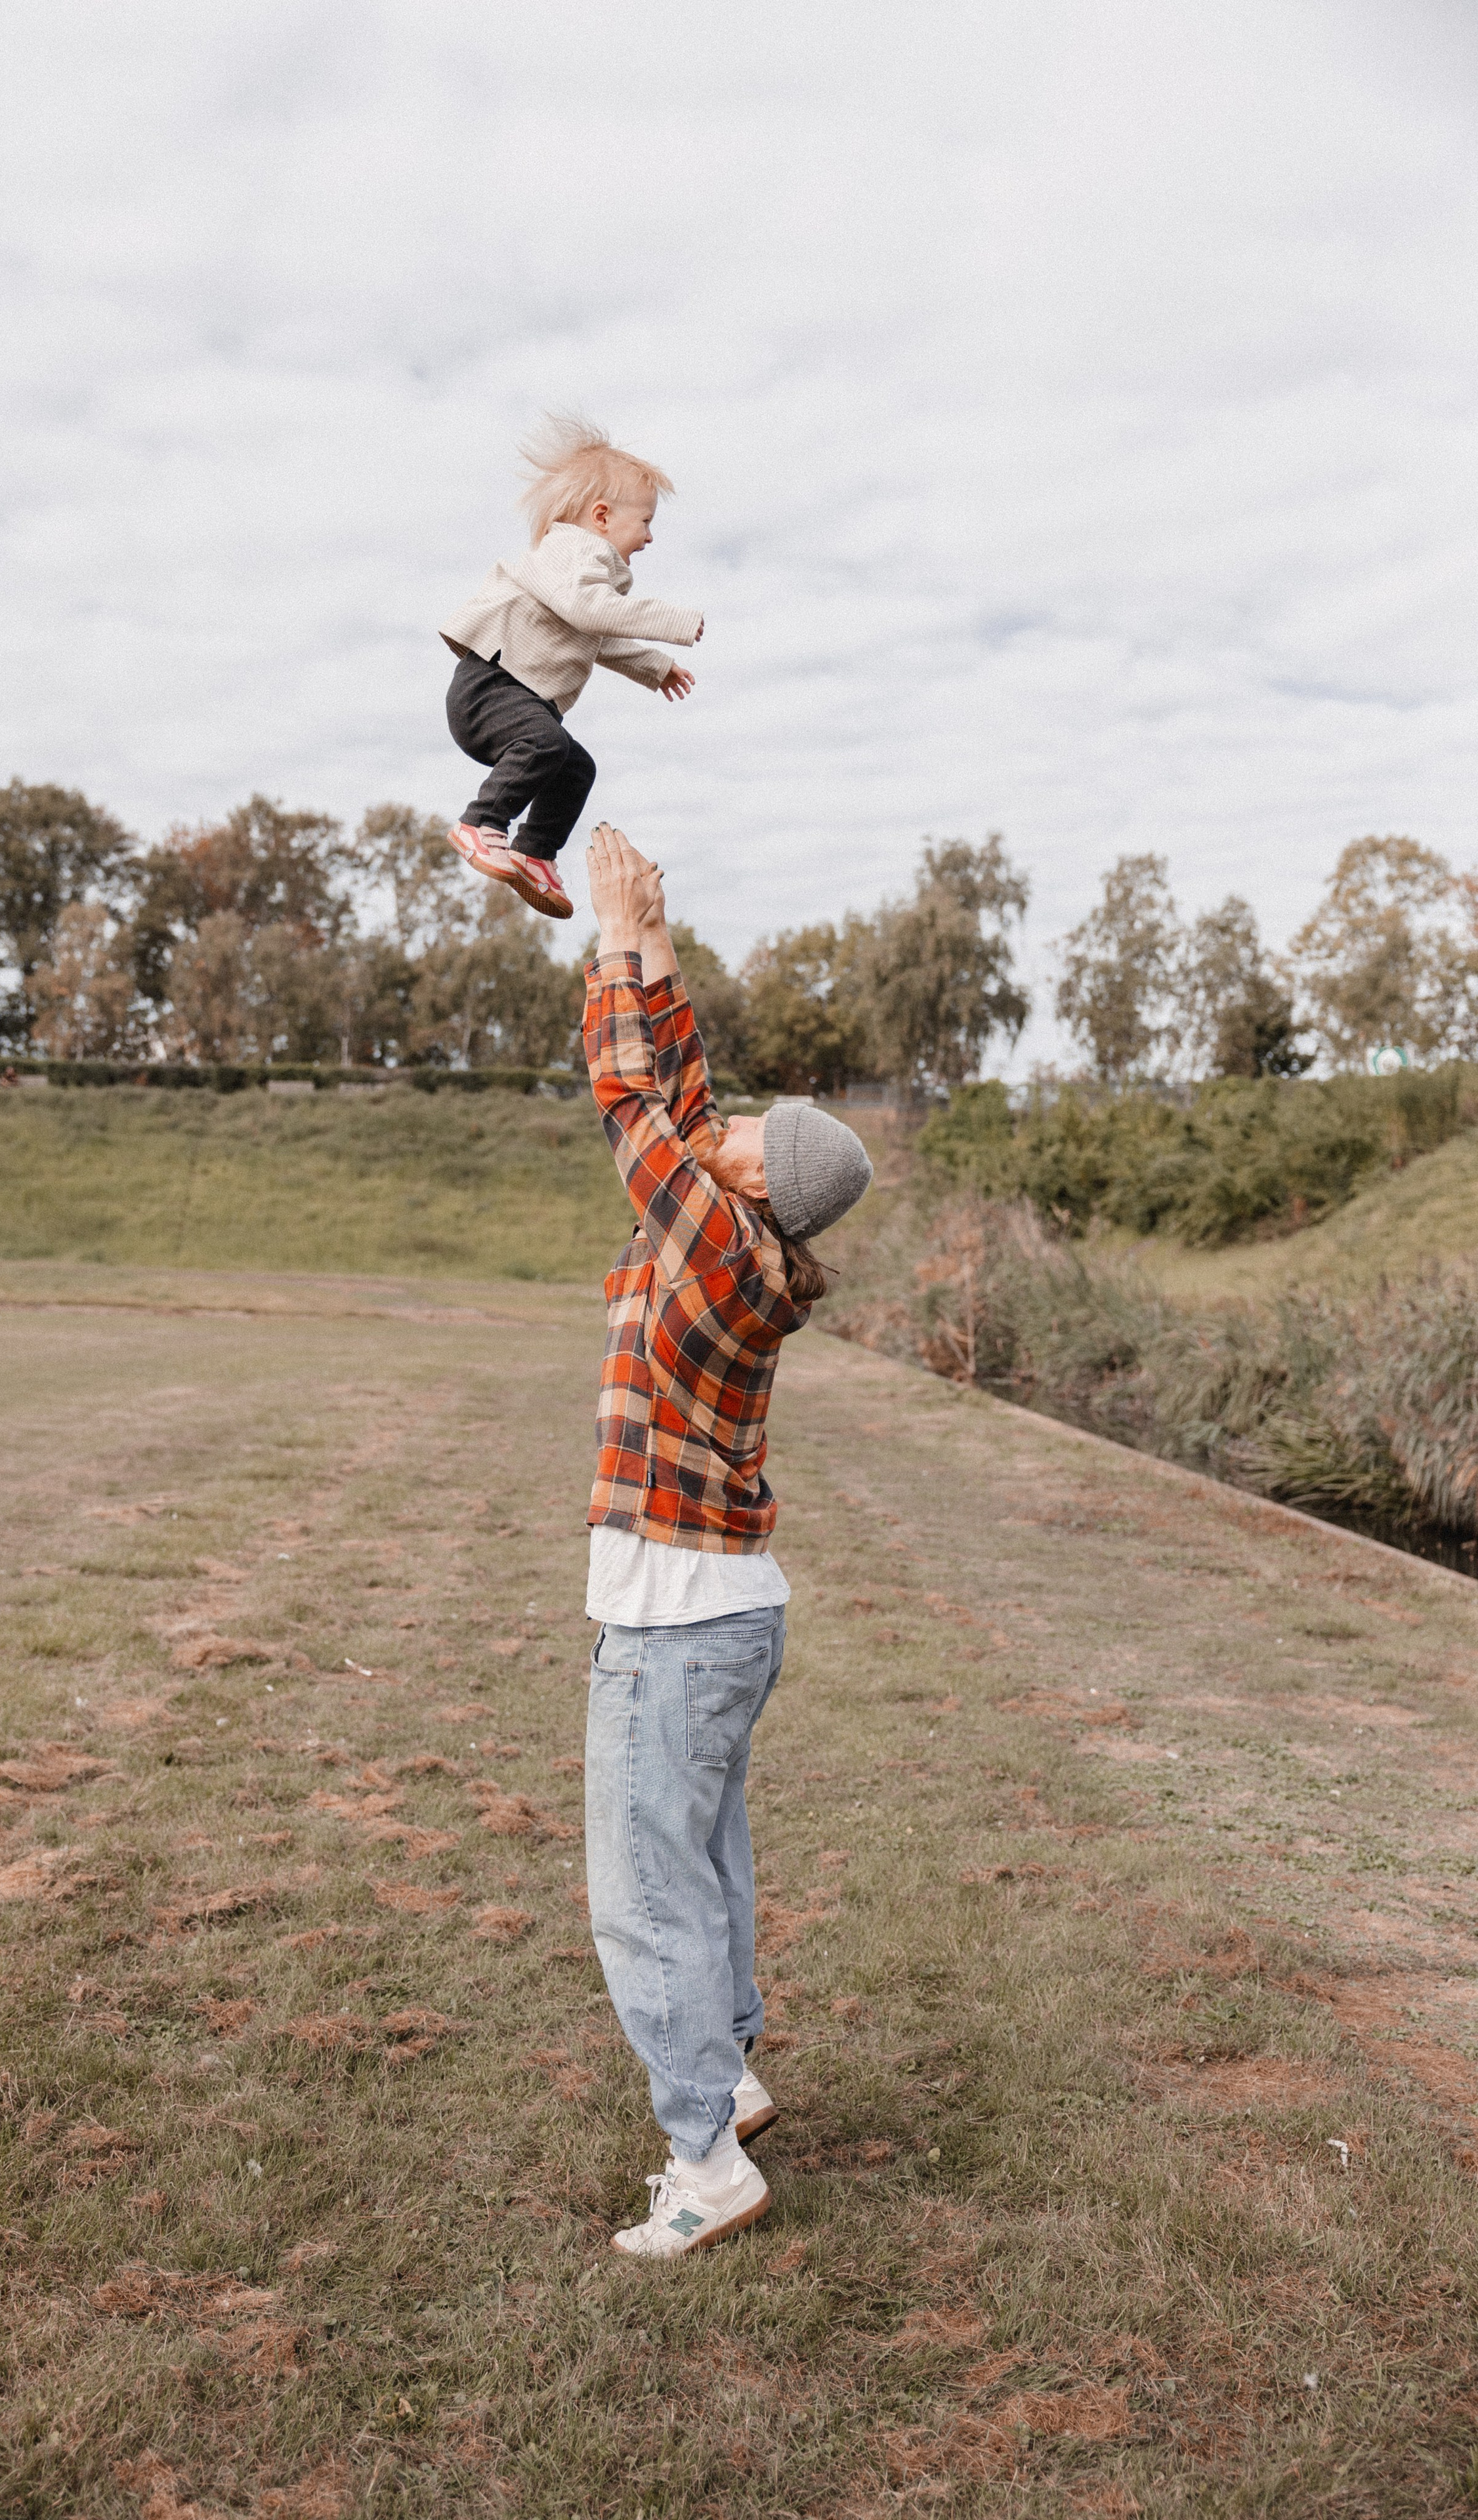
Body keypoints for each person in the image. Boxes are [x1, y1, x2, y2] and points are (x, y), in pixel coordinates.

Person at [579, 824, 875, 2260]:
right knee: (702, 1862)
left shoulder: (706, 1236)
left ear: (760, 1185)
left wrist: (606, 947)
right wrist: (656, 945)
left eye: (756, 1135)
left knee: (642, 1895)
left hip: (676, 1620)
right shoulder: (742, 1239)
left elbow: (633, 1101)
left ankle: (703, 2155)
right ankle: (731, 2072)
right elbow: (680, 1096)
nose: (733, 1125)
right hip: (725, 1610)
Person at [438, 418, 705, 923]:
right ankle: (481, 823)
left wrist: (656, 667)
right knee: (547, 743)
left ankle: (535, 854)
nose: (650, 537)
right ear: (601, 516)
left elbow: (596, 635)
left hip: (518, 699)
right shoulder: (572, 550)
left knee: (575, 769)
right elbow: (591, 612)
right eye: (646, 521)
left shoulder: (583, 574)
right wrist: (673, 623)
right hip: (492, 687)